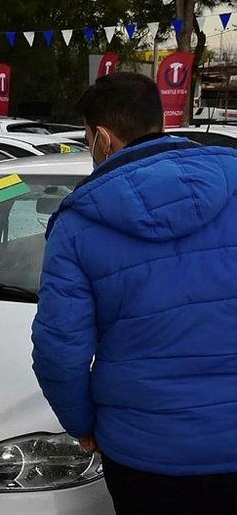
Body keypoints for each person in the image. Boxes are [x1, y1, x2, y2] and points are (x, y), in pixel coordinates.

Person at [31, 72, 237, 514]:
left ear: (102, 137)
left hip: (146, 452)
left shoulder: (78, 223)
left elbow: (59, 349)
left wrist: (82, 424)